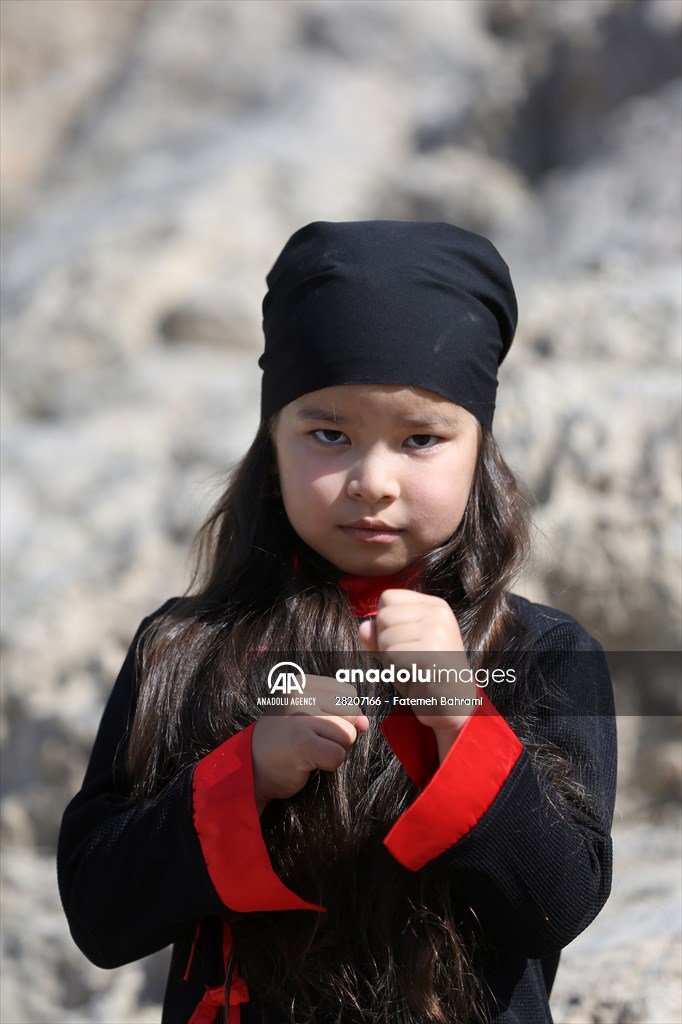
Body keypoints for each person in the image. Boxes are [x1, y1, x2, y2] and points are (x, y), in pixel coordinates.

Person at [57, 221, 617, 1024]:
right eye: (329, 435)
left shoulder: (545, 655)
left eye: (421, 438)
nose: (372, 481)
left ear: (479, 449)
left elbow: (558, 903)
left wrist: (462, 716)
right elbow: (100, 917)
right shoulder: (180, 650)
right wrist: (242, 774)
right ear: (272, 441)